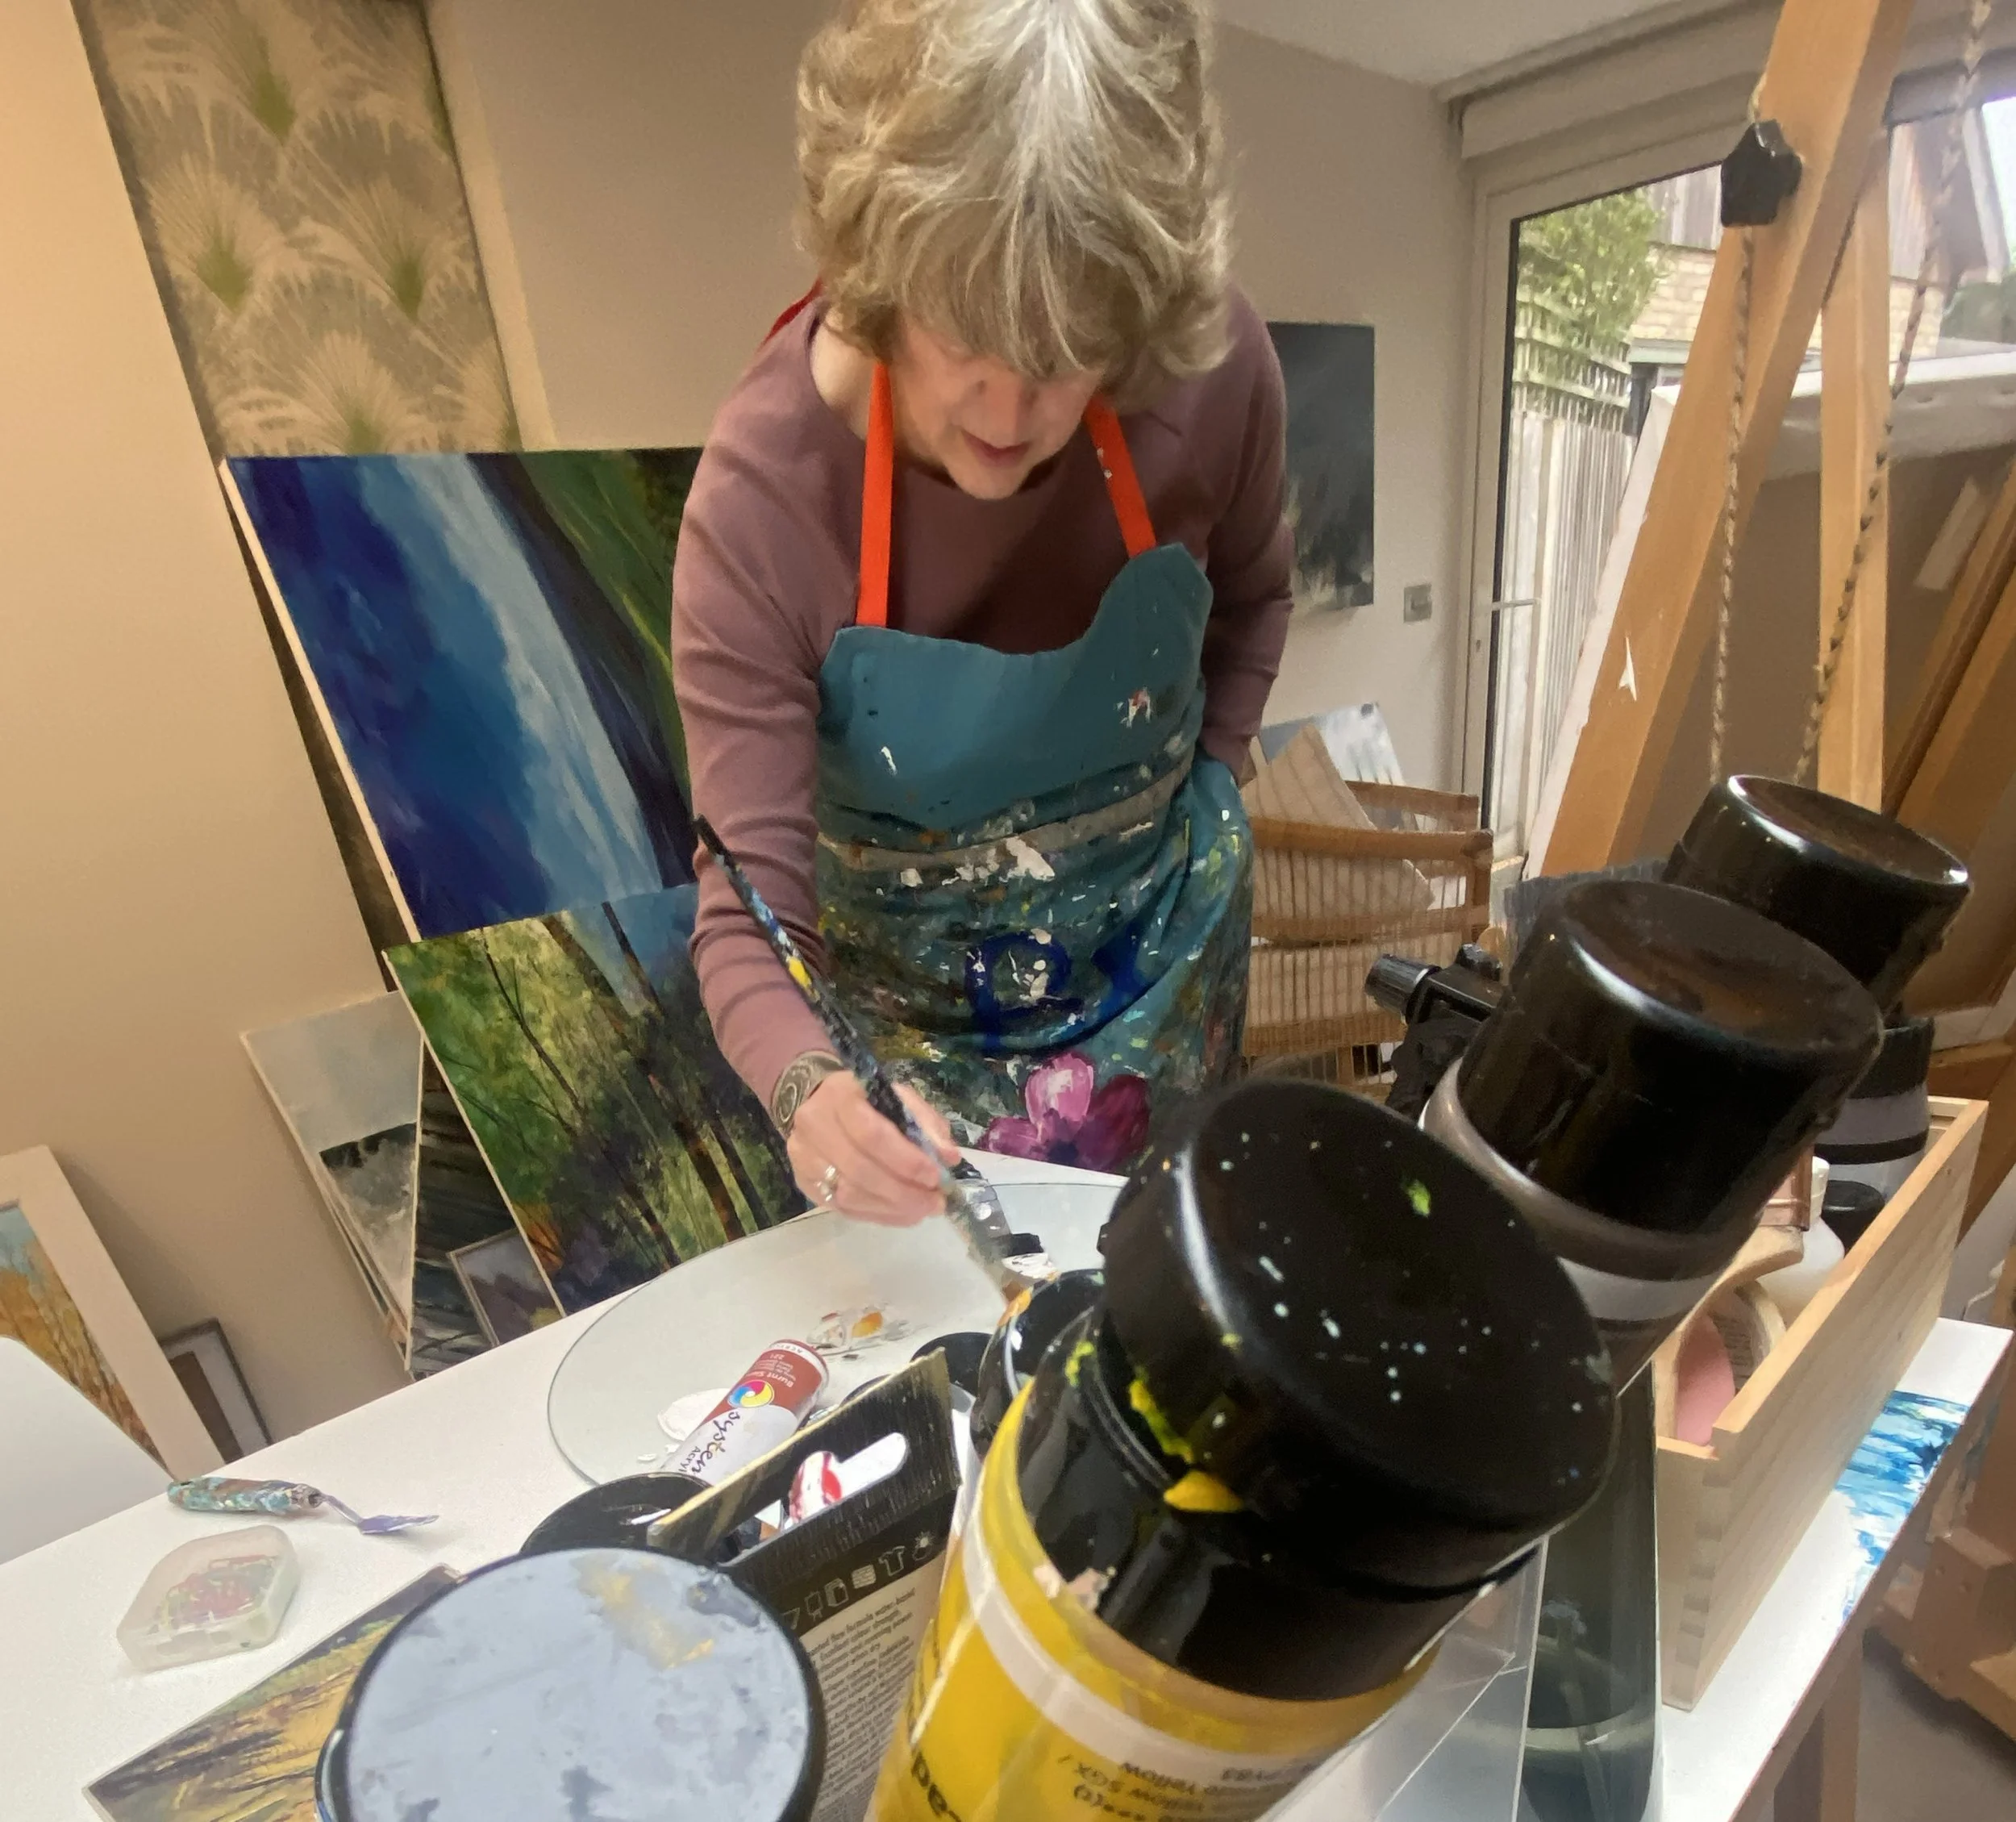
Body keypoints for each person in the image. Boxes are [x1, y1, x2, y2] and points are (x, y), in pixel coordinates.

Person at [672, 0, 1293, 1228]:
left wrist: (1197, 796)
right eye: (967, 336)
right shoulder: (763, 505)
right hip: (923, 1077)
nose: (1011, 408)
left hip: (1169, 988)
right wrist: (814, 1090)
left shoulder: (1217, 377)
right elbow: (746, 914)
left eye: (1070, 353)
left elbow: (1257, 602)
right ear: (879, 267)